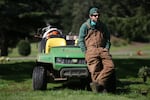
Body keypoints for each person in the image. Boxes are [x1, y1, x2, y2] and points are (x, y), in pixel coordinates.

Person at [78, 7, 115, 93]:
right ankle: (101, 89)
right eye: (94, 15)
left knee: (110, 67)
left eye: (98, 15)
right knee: (95, 70)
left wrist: (106, 48)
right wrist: (85, 51)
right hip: (91, 51)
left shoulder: (102, 26)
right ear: (90, 16)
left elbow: (107, 39)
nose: (97, 17)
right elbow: (80, 40)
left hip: (102, 50)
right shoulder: (85, 26)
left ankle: (98, 84)